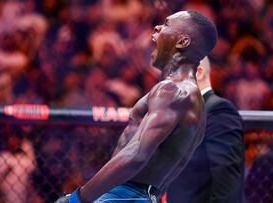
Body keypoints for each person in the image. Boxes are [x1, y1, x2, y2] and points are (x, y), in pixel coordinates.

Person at [55, 10, 218, 203]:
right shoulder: (191, 98)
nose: (157, 27)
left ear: (182, 42)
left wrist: (77, 199)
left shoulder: (173, 91)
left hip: (124, 196)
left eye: (166, 25)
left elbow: (137, 154)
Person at [167, 57, 245, 203]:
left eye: (173, 73)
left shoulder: (218, 111)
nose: (166, 81)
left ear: (198, 73)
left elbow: (226, 188)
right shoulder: (178, 114)